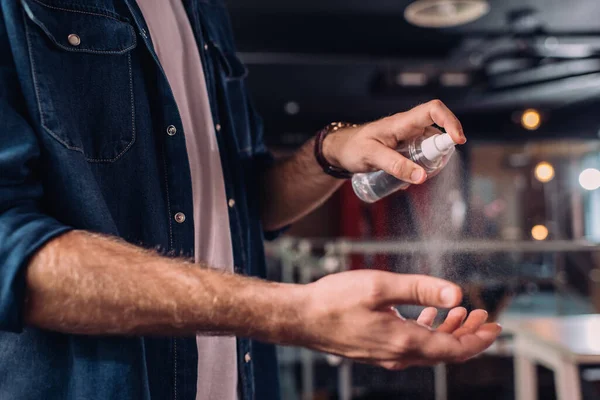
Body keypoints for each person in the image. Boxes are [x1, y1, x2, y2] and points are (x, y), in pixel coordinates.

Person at [0, 0, 501, 399]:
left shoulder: (203, 13)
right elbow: (9, 254)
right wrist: (296, 314)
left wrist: (330, 152)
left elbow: (243, 203)